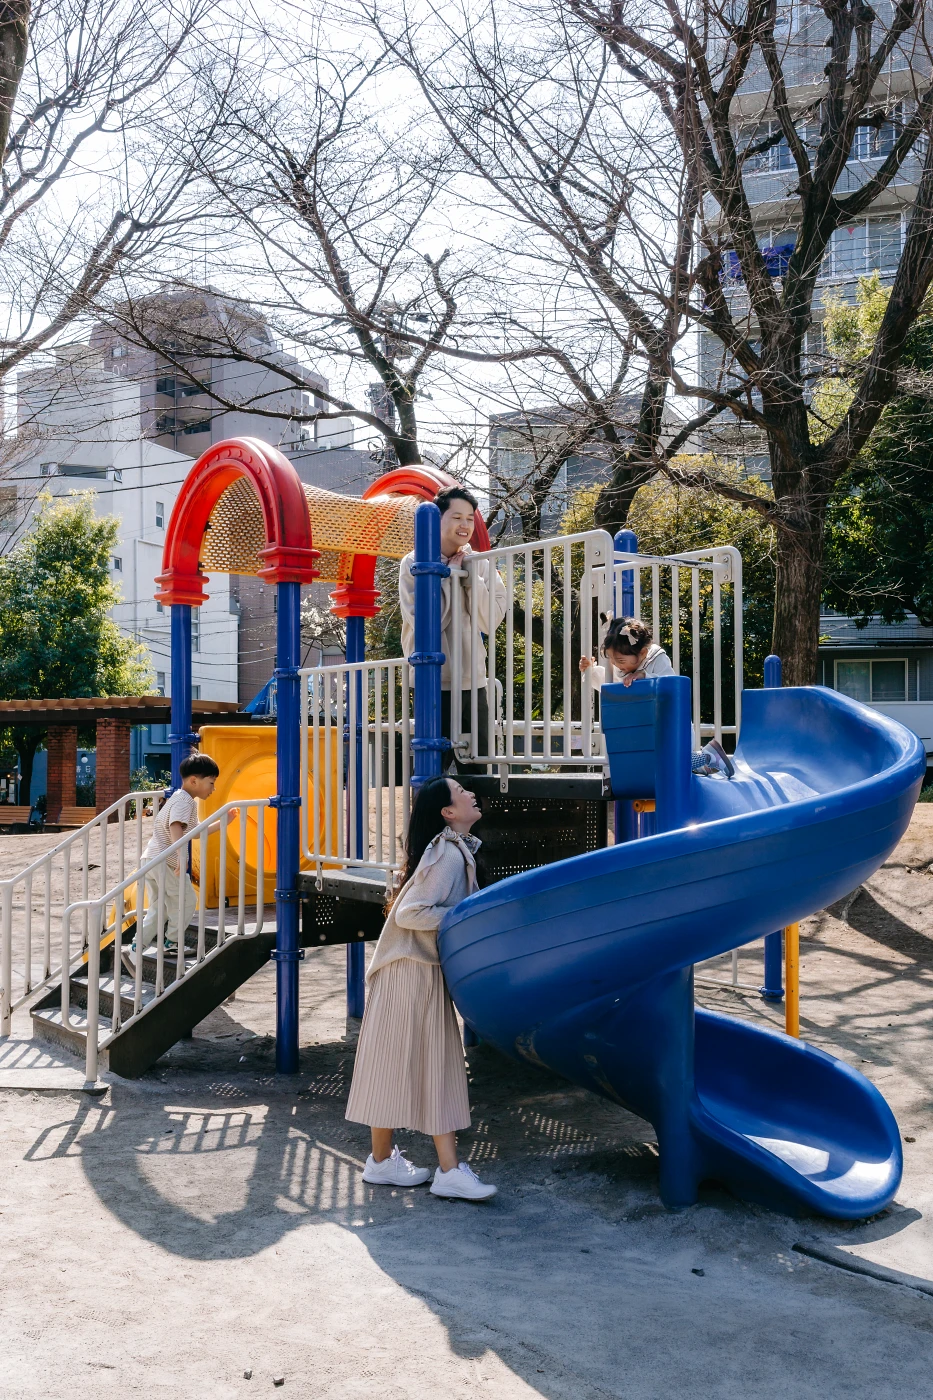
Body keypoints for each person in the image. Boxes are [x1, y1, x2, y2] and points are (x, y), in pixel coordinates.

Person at [345, 774, 497, 1202]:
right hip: (410, 969)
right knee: (437, 1061)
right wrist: (463, 921)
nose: (470, 793)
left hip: (408, 968)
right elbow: (412, 913)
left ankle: (382, 1162)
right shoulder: (448, 854)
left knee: (396, 1060)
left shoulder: (452, 850)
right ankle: (445, 1170)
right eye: (461, 791)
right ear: (448, 812)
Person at [399, 486, 506, 773]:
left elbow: (491, 620)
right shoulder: (413, 561)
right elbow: (428, 624)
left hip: (473, 679)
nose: (465, 525)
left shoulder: (479, 562)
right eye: (457, 517)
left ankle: (478, 819)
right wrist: (448, 578)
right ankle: (429, 820)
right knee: (431, 769)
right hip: (432, 680)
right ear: (437, 519)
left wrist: (470, 578)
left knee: (478, 766)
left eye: (470, 518)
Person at [580, 617, 734, 777]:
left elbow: (670, 685)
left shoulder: (657, 659)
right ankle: (697, 763)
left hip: (668, 721)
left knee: (671, 760)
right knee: (656, 761)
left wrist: (645, 676)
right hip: (644, 726)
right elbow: (608, 685)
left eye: (619, 660)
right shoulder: (622, 667)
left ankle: (708, 756)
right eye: (611, 659)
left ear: (643, 653)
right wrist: (590, 670)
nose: (616, 664)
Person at [135, 754, 238, 955]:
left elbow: (194, 832)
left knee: (161, 907)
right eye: (211, 783)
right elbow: (176, 827)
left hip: (151, 859)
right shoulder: (185, 802)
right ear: (193, 781)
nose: (213, 788)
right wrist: (181, 856)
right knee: (187, 900)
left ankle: (138, 945)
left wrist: (223, 822)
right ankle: (169, 942)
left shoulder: (179, 799)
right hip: (165, 861)